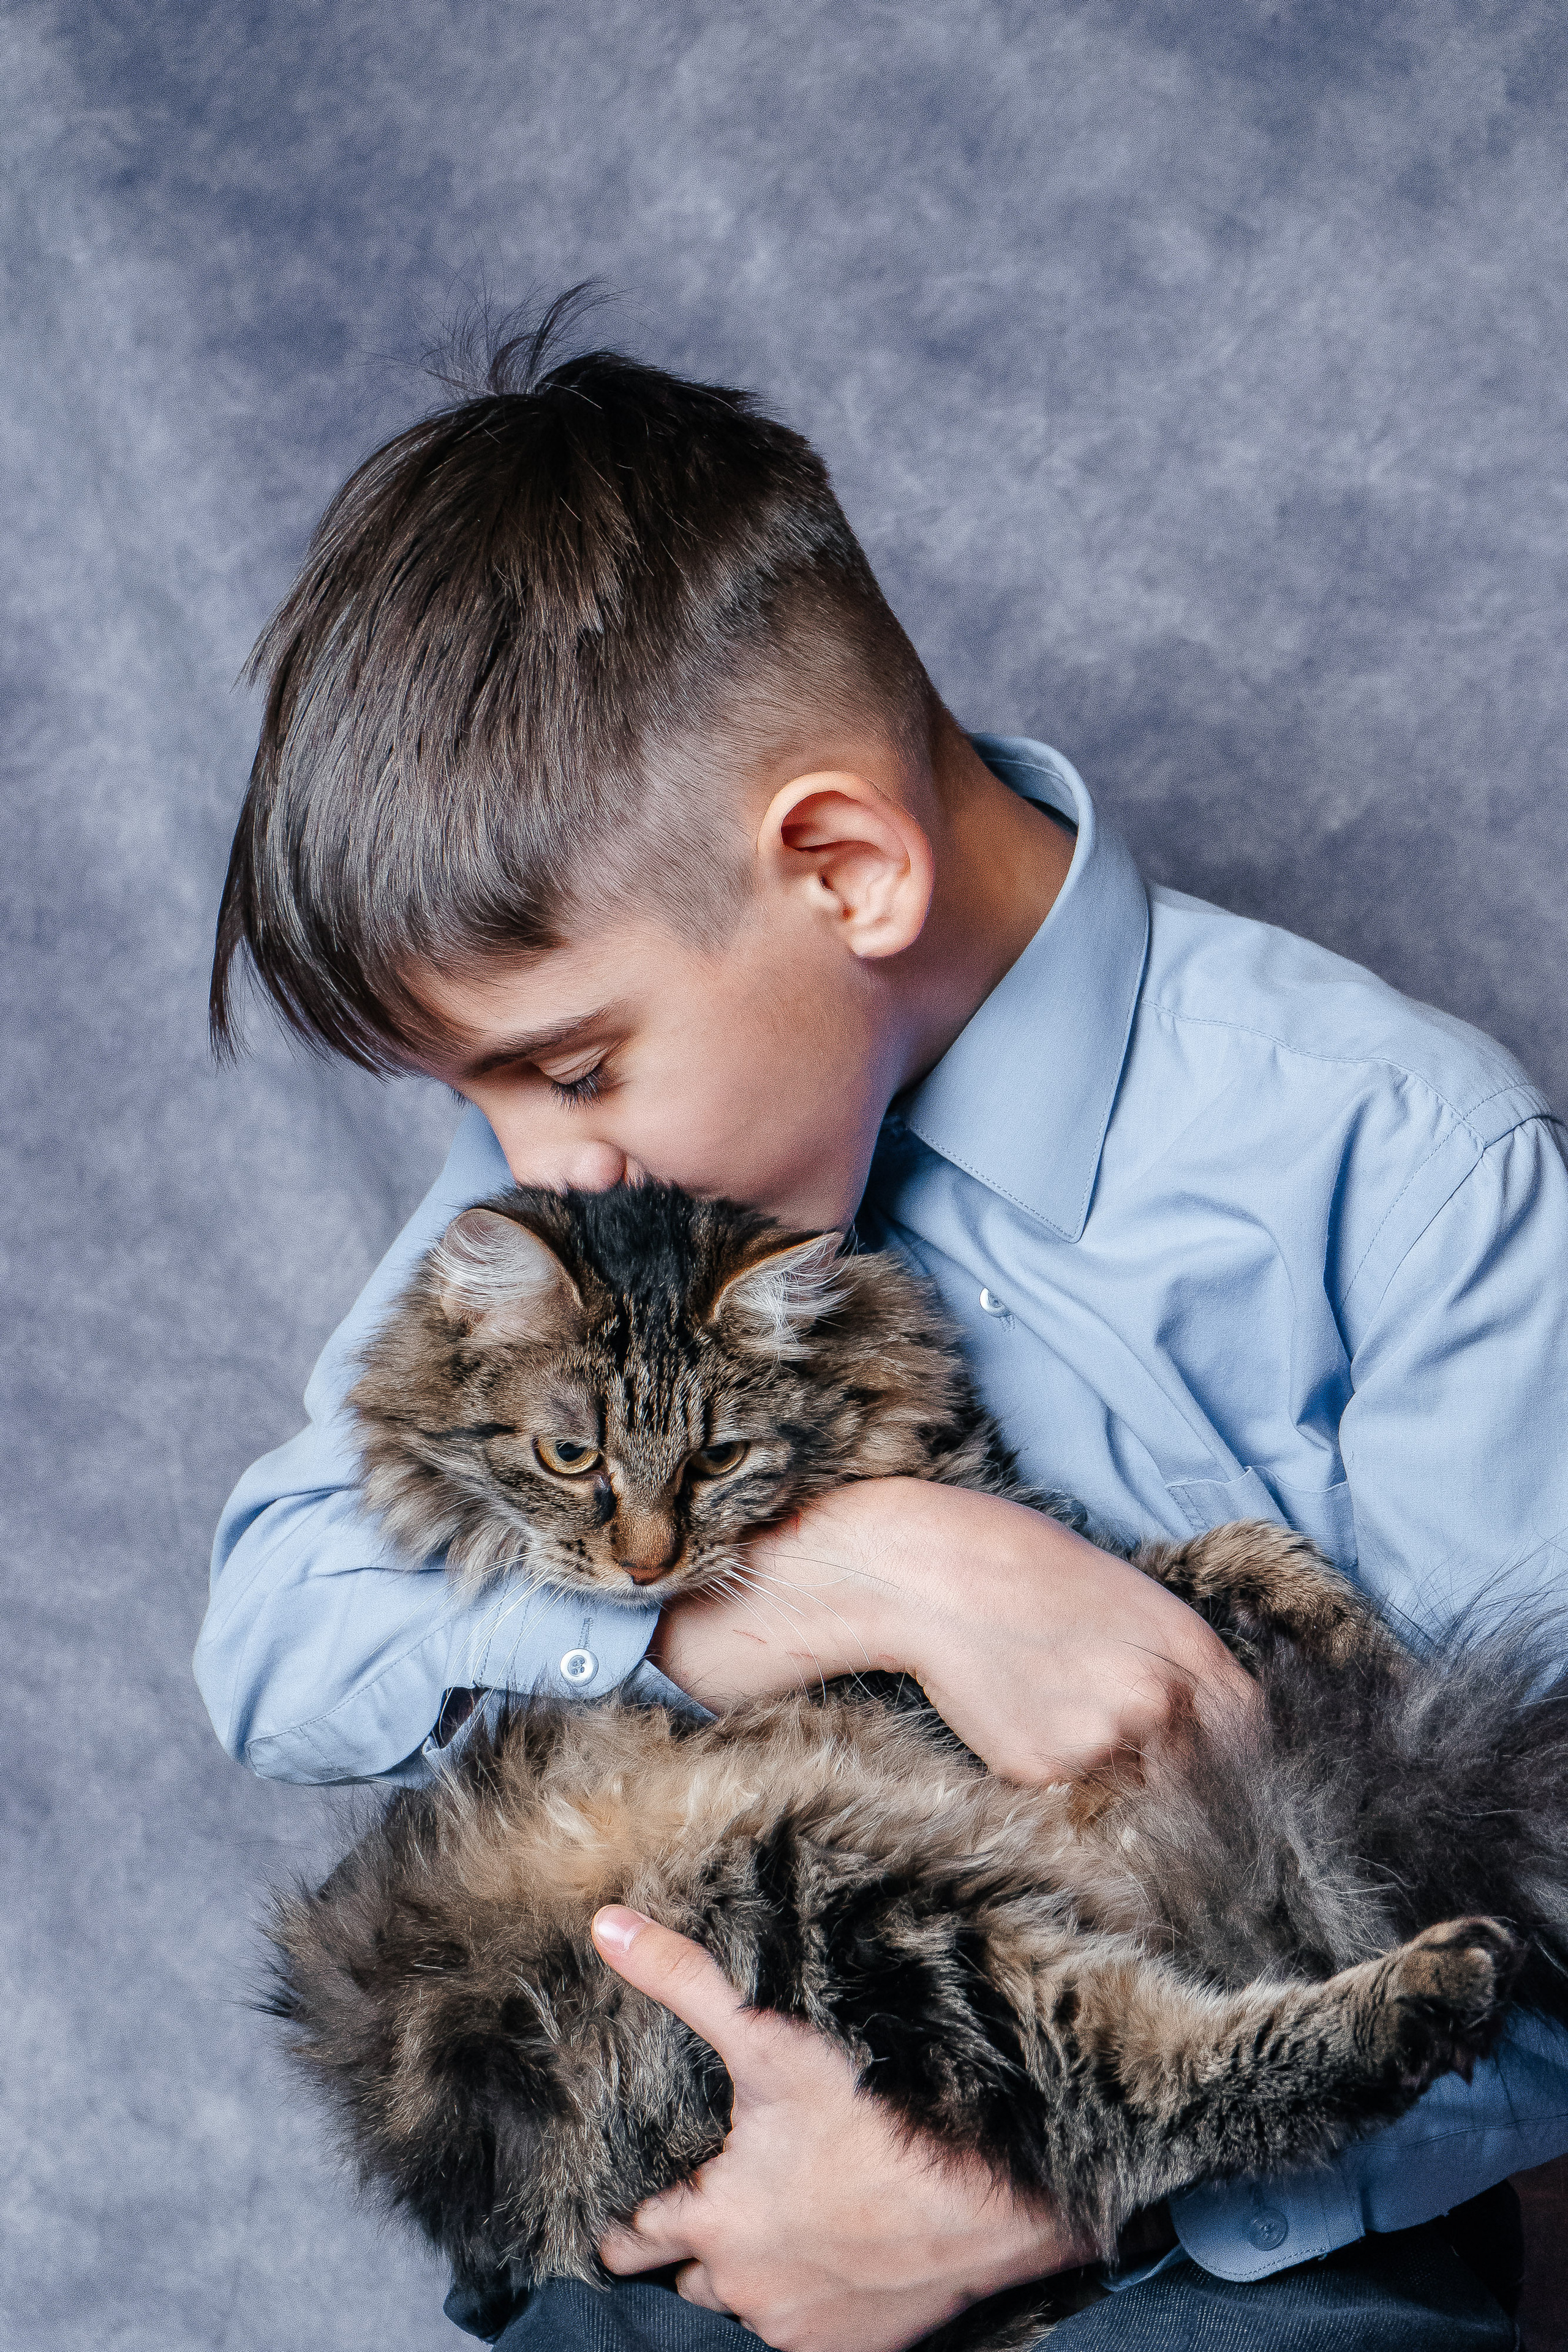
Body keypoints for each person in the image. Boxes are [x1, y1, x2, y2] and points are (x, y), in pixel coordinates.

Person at [197, 301, 1568, 2351]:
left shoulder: (1405, 1167)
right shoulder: (600, 1205)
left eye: (563, 1068)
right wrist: (834, 1578)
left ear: (841, 869)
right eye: (472, 1102)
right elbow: (278, 1624)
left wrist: (1023, 2204)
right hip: (703, 2181)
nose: (515, 1169)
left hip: (1232, 2233)